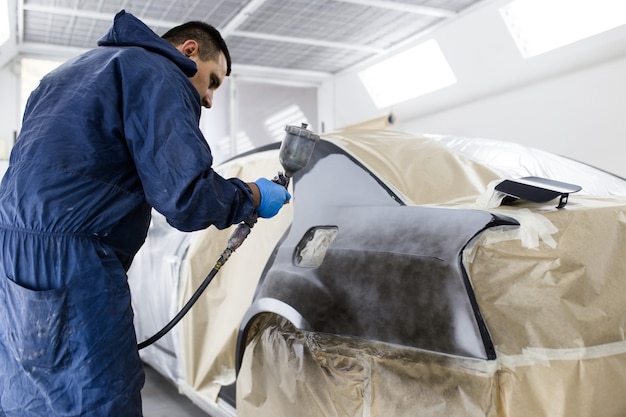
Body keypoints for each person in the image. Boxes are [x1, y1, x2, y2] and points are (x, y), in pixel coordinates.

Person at [0, 10, 290, 417]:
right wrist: (254, 195)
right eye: (211, 81)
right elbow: (185, 194)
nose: (208, 98)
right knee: (99, 398)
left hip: (11, 253)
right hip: (76, 260)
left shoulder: (64, 75)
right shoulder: (158, 73)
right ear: (189, 51)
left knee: (29, 391)